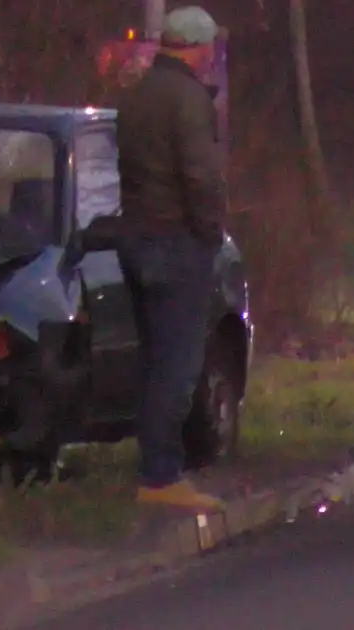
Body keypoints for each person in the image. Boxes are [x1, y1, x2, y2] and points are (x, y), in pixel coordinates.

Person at [116, 5, 227, 512]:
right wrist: (210, 233)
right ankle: (161, 477)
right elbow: (200, 177)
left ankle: (153, 467)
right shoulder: (188, 99)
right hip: (176, 241)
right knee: (178, 362)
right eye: (211, 50)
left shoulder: (136, 95)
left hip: (136, 239)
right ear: (200, 47)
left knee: (152, 359)